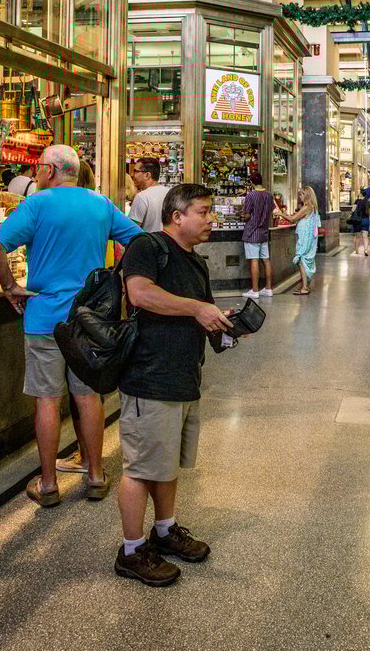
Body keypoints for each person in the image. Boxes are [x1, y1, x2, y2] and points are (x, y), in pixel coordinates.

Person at [0, 145, 142, 507]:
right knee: (89, 395)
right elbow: (137, 239)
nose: (37, 173)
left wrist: (10, 287)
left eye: (40, 167)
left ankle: (49, 484)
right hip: (89, 320)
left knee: (47, 399)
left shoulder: (37, 205)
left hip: (44, 318)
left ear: (52, 170)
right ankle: (96, 476)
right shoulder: (99, 203)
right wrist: (116, 281)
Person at [116, 183, 230, 586]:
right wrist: (198, 308)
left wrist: (224, 324)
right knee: (141, 467)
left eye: (210, 211)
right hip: (150, 376)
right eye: (203, 211)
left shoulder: (195, 262)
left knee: (165, 466)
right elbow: (141, 294)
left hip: (185, 378)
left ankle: (164, 530)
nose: (210, 219)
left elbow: (202, 312)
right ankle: (131, 551)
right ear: (177, 215)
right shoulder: (148, 247)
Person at [241, 171, 275, 299]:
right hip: (264, 232)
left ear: (251, 182)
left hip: (252, 233)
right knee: (266, 260)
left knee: (254, 260)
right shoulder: (269, 195)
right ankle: (268, 288)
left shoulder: (251, 195)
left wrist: (243, 215)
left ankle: (254, 290)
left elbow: (247, 214)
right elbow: (271, 210)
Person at [289, 186, 321, 295]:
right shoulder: (313, 207)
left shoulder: (307, 207)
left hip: (305, 239)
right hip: (309, 238)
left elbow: (292, 219)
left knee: (301, 260)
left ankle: (305, 287)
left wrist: (279, 213)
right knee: (304, 261)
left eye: (301, 194)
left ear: (306, 195)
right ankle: (303, 284)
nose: (299, 197)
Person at [128, 157, 171, 233]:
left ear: (147, 175)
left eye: (135, 171)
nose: (132, 175)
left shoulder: (142, 197)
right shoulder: (170, 193)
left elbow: (131, 230)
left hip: (148, 243)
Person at [350, 189, 370, 256]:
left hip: (357, 220)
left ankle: (356, 250)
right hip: (366, 220)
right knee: (365, 236)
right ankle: (366, 250)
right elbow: (369, 212)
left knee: (357, 236)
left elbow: (353, 210)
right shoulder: (368, 202)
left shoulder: (357, 201)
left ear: (361, 194)